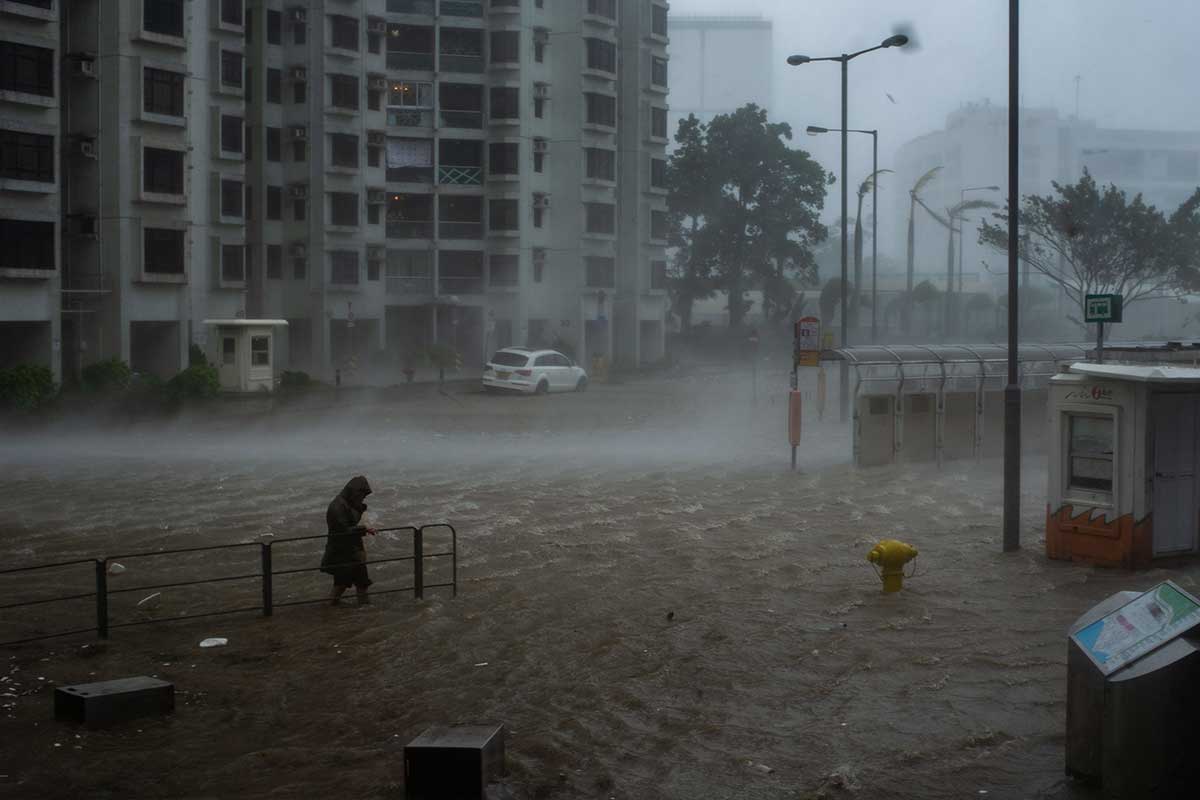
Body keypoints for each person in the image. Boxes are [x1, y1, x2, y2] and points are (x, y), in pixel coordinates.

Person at [321, 475, 377, 606]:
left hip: (350, 551)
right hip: (343, 552)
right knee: (344, 583)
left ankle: (361, 606)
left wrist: (360, 508)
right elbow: (343, 530)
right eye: (362, 495)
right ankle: (363, 607)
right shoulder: (337, 507)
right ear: (354, 492)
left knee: (351, 583)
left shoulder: (346, 504)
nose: (363, 498)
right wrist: (365, 529)